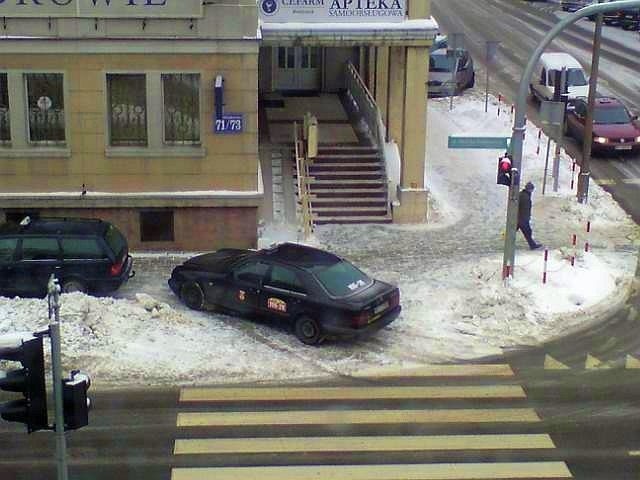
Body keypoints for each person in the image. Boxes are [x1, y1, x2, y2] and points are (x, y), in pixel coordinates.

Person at [518, 181, 542, 250]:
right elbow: (525, 209)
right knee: (528, 232)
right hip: (522, 218)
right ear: (530, 189)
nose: (532, 191)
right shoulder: (525, 197)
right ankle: (532, 245)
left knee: (527, 232)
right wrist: (526, 218)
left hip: (520, 218)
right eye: (532, 189)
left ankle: (532, 245)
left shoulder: (523, 195)